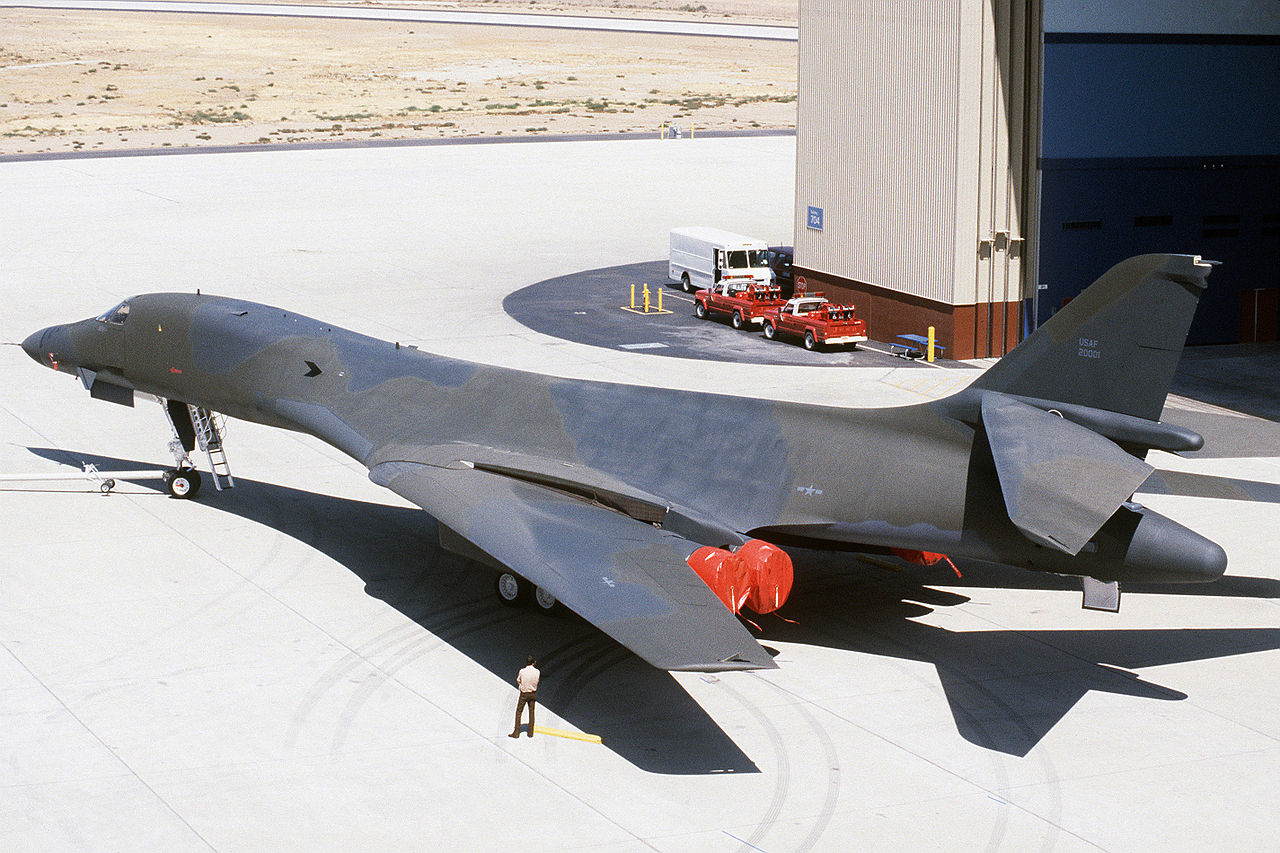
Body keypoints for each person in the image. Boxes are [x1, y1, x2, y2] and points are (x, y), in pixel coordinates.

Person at [509, 655, 540, 738]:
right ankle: (530, 733)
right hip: (533, 693)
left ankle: (516, 732)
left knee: (519, 712)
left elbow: (518, 680)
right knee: (531, 712)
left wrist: (522, 685)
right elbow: (537, 681)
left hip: (524, 694)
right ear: (533, 663)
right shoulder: (537, 671)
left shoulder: (522, 671)